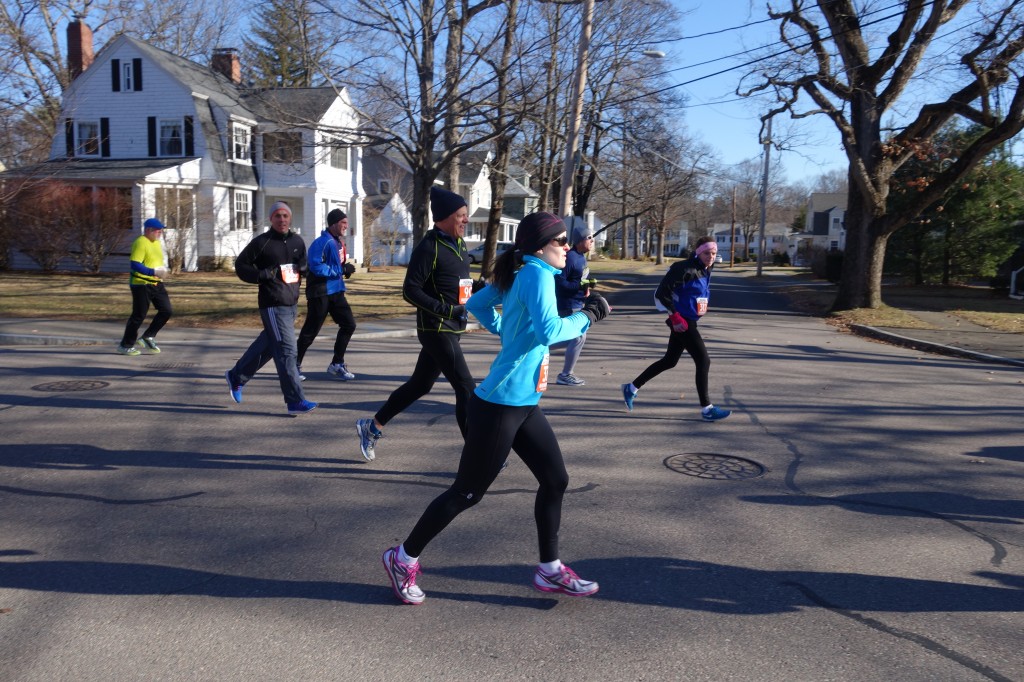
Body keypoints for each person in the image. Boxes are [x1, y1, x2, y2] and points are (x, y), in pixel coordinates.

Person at [381, 211, 612, 605]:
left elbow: (481, 304)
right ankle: (402, 559)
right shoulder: (536, 274)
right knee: (467, 493)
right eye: (560, 241)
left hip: (524, 405)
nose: (567, 247)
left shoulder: (525, 271)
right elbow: (551, 331)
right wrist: (589, 315)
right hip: (500, 406)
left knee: (555, 480)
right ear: (541, 246)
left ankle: (550, 569)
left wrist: (508, 332)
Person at [355, 186, 476, 461]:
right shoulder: (429, 247)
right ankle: (477, 454)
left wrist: (484, 289)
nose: (466, 220)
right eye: (461, 215)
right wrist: (445, 309)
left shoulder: (459, 244)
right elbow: (411, 290)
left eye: (466, 214)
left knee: (420, 385)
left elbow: (460, 285)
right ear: (445, 217)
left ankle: (371, 427)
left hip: (452, 329)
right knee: (466, 388)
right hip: (436, 329)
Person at [620, 235, 731, 421]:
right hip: (681, 321)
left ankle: (631, 388)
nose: (711, 257)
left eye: (713, 253)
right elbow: (662, 292)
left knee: (669, 361)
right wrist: (675, 315)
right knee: (703, 360)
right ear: (698, 252)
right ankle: (707, 409)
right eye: (707, 253)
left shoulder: (707, 268)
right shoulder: (683, 268)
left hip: (689, 320)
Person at [224, 201, 317, 415]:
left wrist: (305, 269)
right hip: (272, 304)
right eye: (277, 216)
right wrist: (260, 275)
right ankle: (295, 399)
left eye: (285, 215)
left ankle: (236, 376)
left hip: (291, 303)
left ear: (290, 218)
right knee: (287, 351)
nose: (282, 219)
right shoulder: (262, 243)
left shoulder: (297, 241)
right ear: (271, 219)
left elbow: (303, 264)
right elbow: (241, 266)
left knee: (267, 347)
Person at [296, 208, 358, 381]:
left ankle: (337, 364)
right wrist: (340, 269)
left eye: (346, 222)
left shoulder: (338, 242)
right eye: (343, 223)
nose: (346, 226)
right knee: (310, 332)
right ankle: (293, 365)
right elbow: (315, 266)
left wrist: (344, 271)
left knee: (349, 325)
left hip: (337, 291)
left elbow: (335, 264)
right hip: (320, 293)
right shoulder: (321, 242)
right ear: (333, 224)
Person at [118, 218, 172, 356]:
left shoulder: (156, 243)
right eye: (157, 230)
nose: (160, 233)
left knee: (166, 311)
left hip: (156, 283)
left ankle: (148, 336)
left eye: (161, 230)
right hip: (141, 284)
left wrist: (161, 271)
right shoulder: (140, 242)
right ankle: (125, 345)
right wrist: (153, 272)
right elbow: (135, 264)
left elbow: (153, 261)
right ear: (148, 230)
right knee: (139, 315)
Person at [552, 220, 597, 385]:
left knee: (577, 338)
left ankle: (535, 348)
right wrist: (579, 285)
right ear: (580, 240)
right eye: (589, 238)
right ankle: (565, 374)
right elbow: (560, 282)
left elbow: (578, 280)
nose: (592, 241)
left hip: (578, 303)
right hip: (567, 305)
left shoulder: (581, 258)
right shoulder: (570, 258)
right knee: (577, 338)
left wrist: (586, 288)